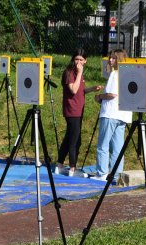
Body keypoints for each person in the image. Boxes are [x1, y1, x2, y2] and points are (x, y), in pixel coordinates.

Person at [56, 48, 103, 176]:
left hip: (78, 109)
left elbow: (80, 90)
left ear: (85, 61)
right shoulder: (70, 72)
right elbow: (73, 90)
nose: (78, 62)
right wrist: (80, 72)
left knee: (68, 138)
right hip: (72, 110)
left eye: (81, 60)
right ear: (73, 59)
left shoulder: (79, 73)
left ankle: (59, 165)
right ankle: (72, 168)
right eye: (76, 59)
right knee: (75, 140)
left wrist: (92, 89)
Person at [91, 49, 132, 182]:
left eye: (113, 58)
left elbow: (112, 94)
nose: (110, 60)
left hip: (110, 114)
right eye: (110, 58)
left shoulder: (115, 74)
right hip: (123, 115)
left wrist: (99, 97)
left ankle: (102, 173)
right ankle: (116, 174)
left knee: (103, 145)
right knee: (117, 147)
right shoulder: (128, 75)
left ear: (119, 60)